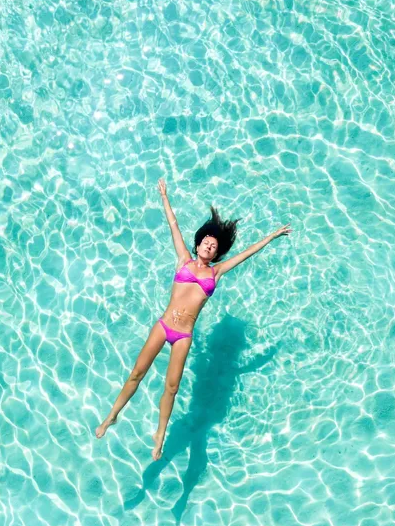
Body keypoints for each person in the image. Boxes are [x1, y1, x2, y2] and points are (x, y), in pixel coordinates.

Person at [95, 177, 292, 460]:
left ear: (217, 252)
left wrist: (272, 236)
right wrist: (164, 196)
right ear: (198, 243)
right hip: (163, 326)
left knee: (172, 388)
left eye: (214, 246)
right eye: (206, 242)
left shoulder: (216, 272)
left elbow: (247, 254)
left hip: (183, 335)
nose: (209, 246)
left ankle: (160, 434)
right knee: (138, 372)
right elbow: (173, 225)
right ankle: (111, 416)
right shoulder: (183, 260)